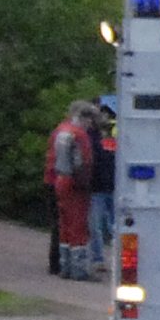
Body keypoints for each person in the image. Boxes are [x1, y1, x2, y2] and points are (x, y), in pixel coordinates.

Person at [48, 100, 95, 278]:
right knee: (78, 226)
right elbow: (83, 163)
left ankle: (65, 266)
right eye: (90, 119)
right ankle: (79, 269)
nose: (91, 124)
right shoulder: (80, 135)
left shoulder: (62, 131)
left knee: (65, 225)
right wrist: (86, 184)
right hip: (75, 183)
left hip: (60, 179)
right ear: (84, 117)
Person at [87, 102, 118, 277]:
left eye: (108, 115)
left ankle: (118, 261)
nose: (105, 118)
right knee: (96, 227)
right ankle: (97, 259)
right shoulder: (90, 135)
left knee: (117, 227)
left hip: (114, 187)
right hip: (96, 188)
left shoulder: (116, 134)